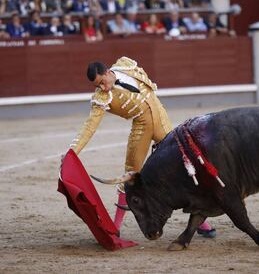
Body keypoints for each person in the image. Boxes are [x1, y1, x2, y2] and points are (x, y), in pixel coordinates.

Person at [67, 56, 216, 237]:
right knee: (131, 175)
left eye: (102, 82)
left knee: (183, 169)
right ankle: (115, 226)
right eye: (97, 86)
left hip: (161, 120)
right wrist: (73, 151)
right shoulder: (102, 98)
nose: (102, 88)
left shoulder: (126, 65)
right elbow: (90, 126)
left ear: (107, 72)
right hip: (142, 129)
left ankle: (201, 222)